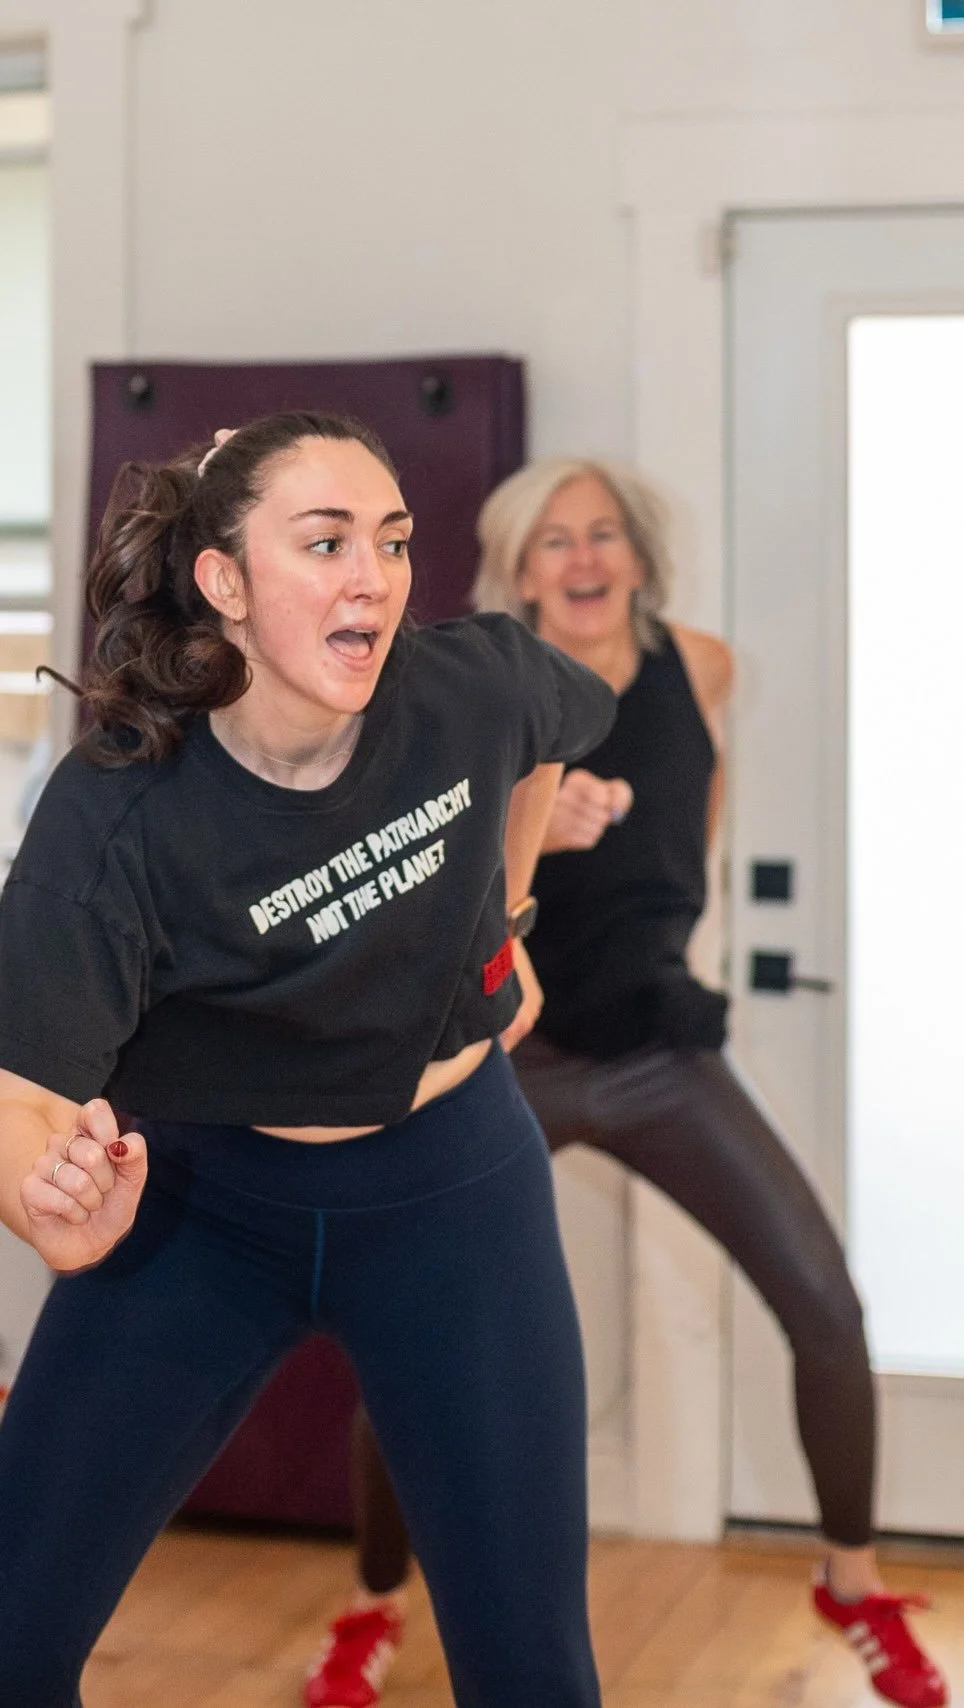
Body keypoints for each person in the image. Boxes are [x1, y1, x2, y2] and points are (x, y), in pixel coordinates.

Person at [0, 414, 619, 1708]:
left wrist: (506, 919)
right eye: (326, 543)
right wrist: (42, 1203)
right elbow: (22, 1085)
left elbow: (548, 726)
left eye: (391, 542)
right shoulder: (122, 799)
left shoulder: (470, 683)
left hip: (456, 1198)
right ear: (223, 582)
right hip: (200, 1214)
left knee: (533, 1674)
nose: (375, 579)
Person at [312, 458, 948, 1708]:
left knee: (824, 1298)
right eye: (554, 539)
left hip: (659, 1050)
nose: (583, 557)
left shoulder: (698, 667)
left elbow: (693, 827)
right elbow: (417, 875)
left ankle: (852, 1581)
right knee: (408, 1341)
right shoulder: (479, 688)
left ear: (641, 555)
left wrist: (662, 936)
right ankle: (370, 1604)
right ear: (518, 568)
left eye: (603, 533)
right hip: (507, 1059)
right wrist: (529, 825)